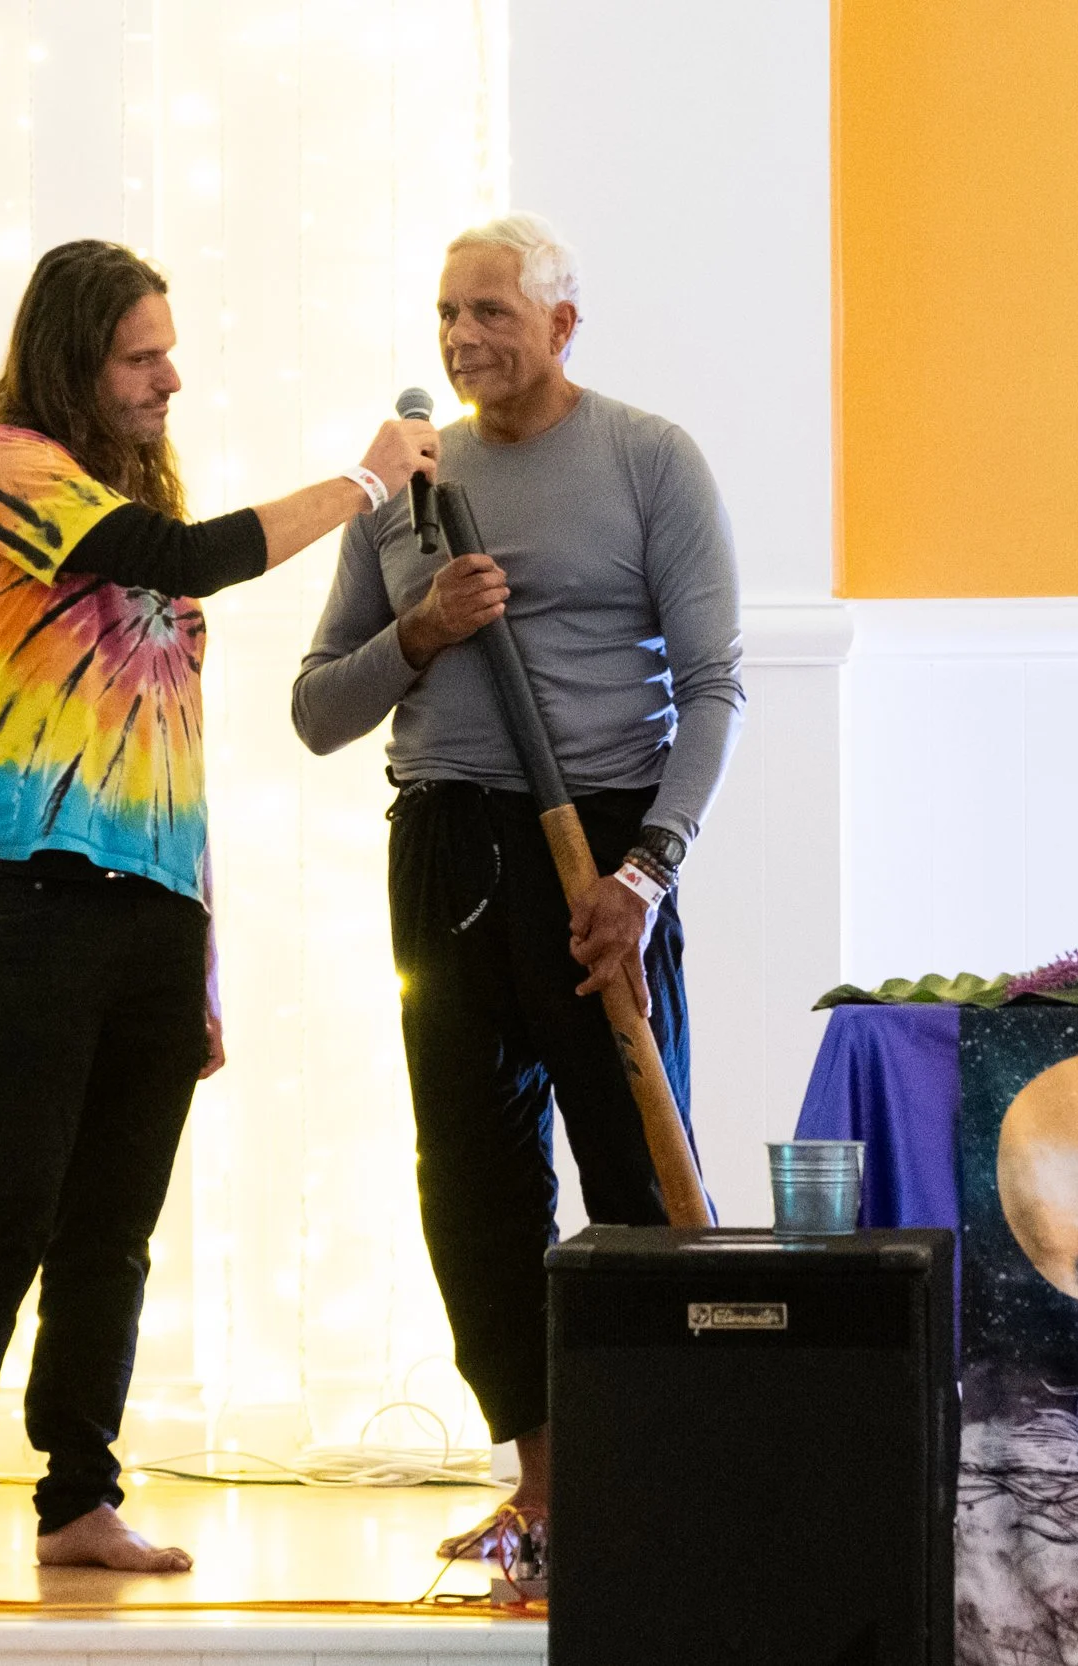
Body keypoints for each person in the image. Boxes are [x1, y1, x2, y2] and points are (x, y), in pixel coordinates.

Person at [0, 238, 440, 1586]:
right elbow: (187, 554)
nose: (169, 379)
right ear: (75, 359)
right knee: (12, 1202)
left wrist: (204, 964)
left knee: (114, 1225)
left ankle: (79, 1496)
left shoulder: (115, 493)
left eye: (169, 353)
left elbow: (165, 744)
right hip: (34, 884)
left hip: (154, 902)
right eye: (142, 356)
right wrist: (366, 482)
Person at [289, 213, 744, 1559]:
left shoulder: (650, 460)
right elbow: (317, 711)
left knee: (634, 1169)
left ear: (562, 322)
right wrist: (420, 632)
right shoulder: (406, 489)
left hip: (601, 852)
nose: (463, 336)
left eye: (492, 310)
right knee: (473, 1178)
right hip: (446, 852)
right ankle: (541, 1489)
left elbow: (714, 687)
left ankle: (661, 1480)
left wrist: (646, 871)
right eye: (448, 312)